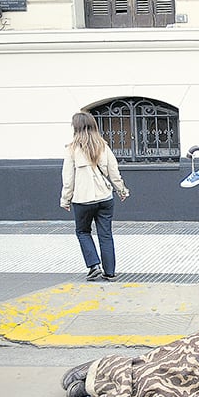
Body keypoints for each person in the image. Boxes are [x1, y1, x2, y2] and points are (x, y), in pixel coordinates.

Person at [60, 112, 130, 282]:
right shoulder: (103, 146)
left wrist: (65, 199)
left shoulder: (71, 150)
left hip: (82, 200)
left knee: (83, 231)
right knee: (105, 234)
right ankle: (110, 272)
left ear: (75, 128)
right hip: (105, 198)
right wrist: (121, 190)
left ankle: (94, 266)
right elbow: (114, 172)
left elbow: (68, 178)